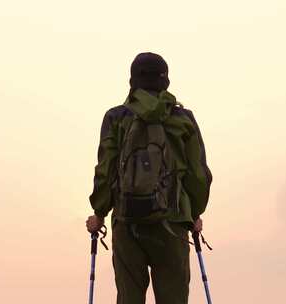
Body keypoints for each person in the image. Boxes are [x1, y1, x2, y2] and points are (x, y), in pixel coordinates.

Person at [86, 52, 212, 304]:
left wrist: (99, 212)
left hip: (126, 221)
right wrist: (194, 212)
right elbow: (198, 173)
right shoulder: (182, 119)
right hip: (172, 222)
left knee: (129, 298)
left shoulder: (116, 118)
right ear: (165, 80)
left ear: (132, 80)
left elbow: (105, 169)